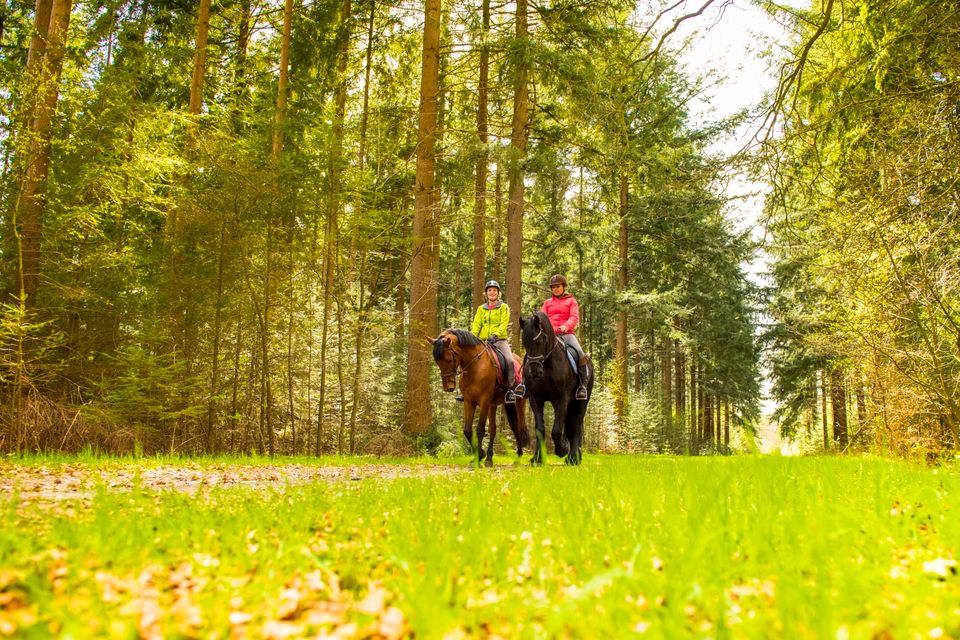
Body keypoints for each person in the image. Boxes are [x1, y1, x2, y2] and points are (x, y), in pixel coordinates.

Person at [471, 280, 521, 403]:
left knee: (509, 360)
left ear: (498, 293)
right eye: (489, 290)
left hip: (499, 340)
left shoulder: (503, 307)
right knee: (470, 360)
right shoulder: (481, 309)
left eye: (494, 290)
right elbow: (476, 325)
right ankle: (468, 391)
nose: (492, 292)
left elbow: (504, 323)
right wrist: (472, 337)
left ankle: (511, 389)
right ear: (486, 293)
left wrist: (495, 335)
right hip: (483, 341)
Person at [542, 274, 589, 400]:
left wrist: (565, 326)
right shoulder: (547, 303)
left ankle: (582, 385)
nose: (555, 289)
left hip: (566, 333)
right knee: (533, 353)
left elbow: (574, 317)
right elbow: (542, 318)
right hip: (550, 335)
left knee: (579, 353)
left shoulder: (571, 301)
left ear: (563, 286)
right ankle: (525, 383)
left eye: (558, 286)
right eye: (553, 287)